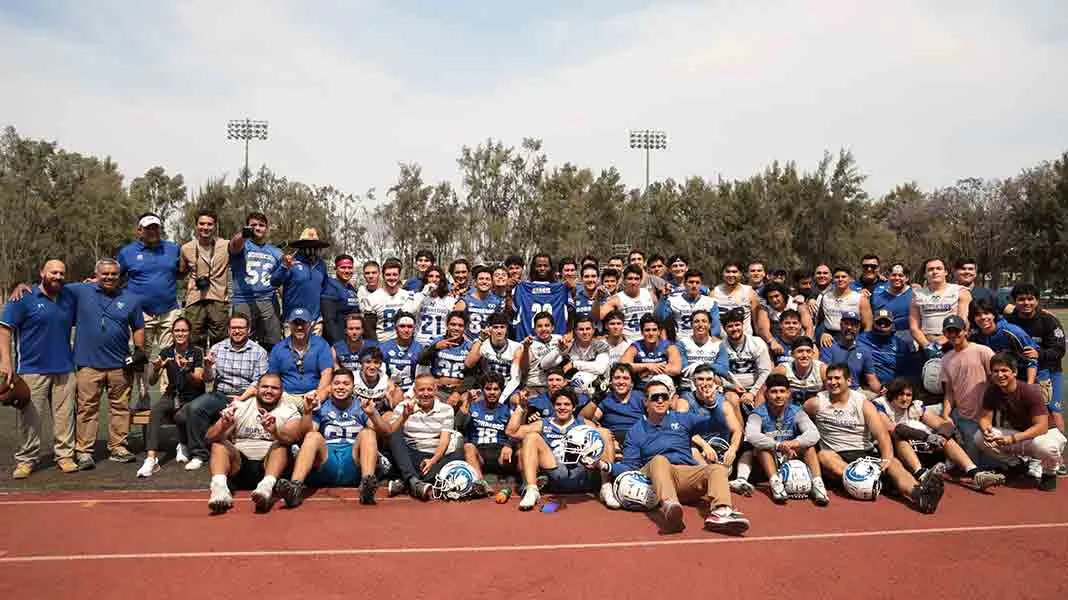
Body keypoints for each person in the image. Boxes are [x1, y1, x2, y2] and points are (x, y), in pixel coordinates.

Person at [589, 379, 751, 535]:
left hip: (686, 475)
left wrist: (712, 404)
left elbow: (717, 424)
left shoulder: (682, 419)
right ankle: (670, 506)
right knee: (660, 460)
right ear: (646, 402)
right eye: (655, 397)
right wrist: (605, 466)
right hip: (656, 477)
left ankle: (721, 512)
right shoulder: (636, 431)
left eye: (664, 397)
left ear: (669, 400)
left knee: (716, 468)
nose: (660, 401)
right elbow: (630, 466)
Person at [803, 364, 945, 514]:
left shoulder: (863, 403)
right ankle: (873, 483)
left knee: (894, 463)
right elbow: (799, 417)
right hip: (838, 455)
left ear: (849, 381)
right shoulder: (816, 403)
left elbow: (881, 434)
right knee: (824, 455)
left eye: (837, 378)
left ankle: (919, 494)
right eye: (829, 379)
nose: (833, 382)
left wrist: (886, 458)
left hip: (864, 452)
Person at [274, 368, 395, 508]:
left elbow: (387, 432)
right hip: (327, 461)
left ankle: (367, 484)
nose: (341, 387)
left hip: (353, 460)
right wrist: (307, 412)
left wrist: (372, 414)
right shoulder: (321, 407)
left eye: (346, 383)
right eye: (336, 383)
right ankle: (295, 488)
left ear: (353, 387)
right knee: (313, 436)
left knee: (368, 433)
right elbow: (306, 433)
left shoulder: (362, 406)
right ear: (330, 387)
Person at [0, 259, 78, 478]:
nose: (58, 276)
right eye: (53, 272)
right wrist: (5, 361)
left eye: (62, 273)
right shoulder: (23, 297)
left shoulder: (69, 296)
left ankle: (64, 456)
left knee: (65, 418)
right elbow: (4, 330)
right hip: (32, 368)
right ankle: (26, 460)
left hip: (65, 368)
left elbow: (93, 284)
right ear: (42, 272)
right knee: (30, 418)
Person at [68, 259, 146, 468]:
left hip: (119, 364)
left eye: (114, 274)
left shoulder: (131, 298)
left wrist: (139, 350)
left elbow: (138, 326)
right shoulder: (81, 290)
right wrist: (23, 288)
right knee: (86, 408)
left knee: (120, 407)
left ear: (120, 276)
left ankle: (118, 447)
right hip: (88, 364)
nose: (110, 277)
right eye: (105, 274)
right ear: (96, 274)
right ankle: (84, 451)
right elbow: (52, 287)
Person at [873, 377, 1004, 491]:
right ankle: (922, 474)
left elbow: (945, 425)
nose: (904, 399)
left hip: (918, 447)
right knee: (900, 438)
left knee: (946, 438)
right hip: (888, 450)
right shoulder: (881, 405)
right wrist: (928, 437)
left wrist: (941, 436)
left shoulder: (915, 407)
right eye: (900, 394)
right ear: (892, 394)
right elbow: (895, 429)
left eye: (908, 395)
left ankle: (975, 473)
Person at [507, 386, 619, 511]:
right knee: (531, 437)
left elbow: (606, 441)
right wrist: (521, 407)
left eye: (567, 404)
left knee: (603, 432)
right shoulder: (544, 423)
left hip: (582, 472)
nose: (562, 407)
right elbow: (512, 432)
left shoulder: (583, 422)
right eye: (558, 404)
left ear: (574, 407)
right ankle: (532, 490)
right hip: (554, 473)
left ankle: (606, 488)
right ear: (553, 406)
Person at [205, 373, 302, 514]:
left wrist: (275, 431)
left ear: (282, 391)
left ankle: (265, 489)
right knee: (218, 444)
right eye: (265, 387)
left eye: (274, 388)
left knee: (280, 445)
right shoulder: (240, 407)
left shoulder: (290, 411)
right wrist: (223, 426)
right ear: (256, 389)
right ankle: (219, 490)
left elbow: (292, 437)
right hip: (239, 465)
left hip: (270, 466)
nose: (269, 391)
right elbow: (209, 437)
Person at [184, 313, 269, 471]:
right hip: (221, 394)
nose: (237, 331)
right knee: (195, 408)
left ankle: (247, 453)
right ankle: (198, 454)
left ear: (249, 330)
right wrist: (208, 366)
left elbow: (259, 382)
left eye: (241, 328)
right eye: (234, 328)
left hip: (247, 396)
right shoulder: (217, 348)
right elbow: (208, 380)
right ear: (229, 330)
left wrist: (241, 398)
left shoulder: (259, 352)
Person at [976, 353, 1066, 491]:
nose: (1000, 375)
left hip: (1046, 434)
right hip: (1021, 435)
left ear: (1015, 372)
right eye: (996, 371)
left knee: (1044, 446)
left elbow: (1041, 427)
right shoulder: (992, 391)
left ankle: (1049, 473)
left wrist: (1011, 439)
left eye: (1004, 370)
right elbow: (984, 418)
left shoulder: (1030, 391)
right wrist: (987, 430)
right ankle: (1016, 465)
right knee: (979, 437)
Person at [117, 212, 182, 404]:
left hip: (169, 311)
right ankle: (144, 396)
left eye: (156, 227)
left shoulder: (173, 249)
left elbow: (182, 271)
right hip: (140, 314)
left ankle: (166, 398)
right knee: (140, 357)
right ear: (140, 231)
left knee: (169, 355)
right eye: (148, 228)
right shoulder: (127, 252)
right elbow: (113, 277)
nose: (153, 231)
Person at [745, 373, 828, 505]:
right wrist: (777, 445)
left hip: (790, 455)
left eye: (782, 391)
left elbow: (813, 433)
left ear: (788, 393)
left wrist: (794, 443)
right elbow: (751, 435)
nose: (778, 395)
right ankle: (775, 484)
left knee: (809, 447)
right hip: (768, 459)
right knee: (761, 448)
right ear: (766, 394)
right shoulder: (758, 413)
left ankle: (818, 484)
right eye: (774, 392)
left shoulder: (796, 412)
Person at [137, 318, 205, 478]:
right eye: (177, 331)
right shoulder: (166, 352)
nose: (180, 334)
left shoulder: (196, 352)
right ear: (172, 333)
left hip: (192, 396)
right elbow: (153, 381)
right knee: (156, 411)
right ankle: (150, 459)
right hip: (172, 393)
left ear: (189, 333)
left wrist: (186, 369)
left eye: (184, 330)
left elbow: (199, 379)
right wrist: (156, 368)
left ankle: (183, 443)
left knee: (181, 415)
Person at [386, 374, 465, 500]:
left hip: (433, 457)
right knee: (395, 436)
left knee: (459, 456)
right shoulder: (403, 406)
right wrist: (404, 416)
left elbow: (444, 441)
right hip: (410, 455)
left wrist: (433, 460)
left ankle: (407, 482)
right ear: (415, 391)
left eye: (429, 389)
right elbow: (390, 432)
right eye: (421, 390)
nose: (426, 393)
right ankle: (414, 481)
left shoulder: (446, 409)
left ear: (435, 390)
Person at [1005, 283, 1066, 434]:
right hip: (1020, 373)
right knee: (1022, 411)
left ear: (1037, 300)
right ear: (1014, 301)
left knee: (1052, 410)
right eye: (1021, 299)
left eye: (1030, 299)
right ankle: (1028, 450)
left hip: (1048, 371)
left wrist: (1039, 354)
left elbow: (1059, 350)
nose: (1026, 303)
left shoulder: (1049, 320)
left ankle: (1058, 450)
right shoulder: (1009, 321)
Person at [939, 315, 995, 463]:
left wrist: (989, 413)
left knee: (976, 462)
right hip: (961, 416)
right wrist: (945, 415)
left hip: (982, 416)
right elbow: (949, 393)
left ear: (966, 332)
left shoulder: (983, 351)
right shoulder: (945, 359)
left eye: (956, 331)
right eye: (948, 331)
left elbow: (995, 383)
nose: (953, 335)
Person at [229, 212, 283, 350]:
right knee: (241, 341)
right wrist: (243, 234)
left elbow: (279, 280)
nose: (257, 228)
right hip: (243, 300)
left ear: (266, 228)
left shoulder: (276, 252)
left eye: (261, 225)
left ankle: (269, 370)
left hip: (268, 300)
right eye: (253, 225)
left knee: (272, 341)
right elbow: (234, 245)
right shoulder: (242, 245)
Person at [456, 374, 516, 496]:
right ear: (482, 390)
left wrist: (509, 445)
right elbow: (458, 424)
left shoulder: (507, 410)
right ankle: (481, 484)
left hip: (500, 454)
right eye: (488, 389)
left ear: (501, 391)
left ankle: (528, 483)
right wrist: (467, 401)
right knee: (468, 446)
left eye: (496, 389)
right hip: (479, 454)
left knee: (520, 451)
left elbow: (516, 432)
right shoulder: (472, 407)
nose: (492, 392)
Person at [180, 209, 230, 349]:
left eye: (209, 224)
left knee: (220, 340)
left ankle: (217, 369)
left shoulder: (225, 245)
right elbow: (182, 272)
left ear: (215, 226)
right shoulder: (186, 248)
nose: (205, 227)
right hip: (195, 299)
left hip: (218, 298)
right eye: (202, 224)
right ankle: (197, 368)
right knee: (194, 339)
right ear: (196, 225)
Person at [268, 307, 333, 411]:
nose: (299, 327)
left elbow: (327, 373)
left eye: (303, 323)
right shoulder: (278, 348)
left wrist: (318, 396)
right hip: (287, 396)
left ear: (310, 324)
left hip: (314, 393)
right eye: (295, 323)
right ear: (289, 324)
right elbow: (273, 377)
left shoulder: (321, 344)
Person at [271, 228, 330, 334]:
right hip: (292, 320)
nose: (311, 248)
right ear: (300, 246)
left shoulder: (321, 265)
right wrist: (284, 267)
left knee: (315, 350)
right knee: (292, 351)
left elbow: (324, 290)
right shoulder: (290, 262)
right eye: (306, 245)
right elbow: (274, 282)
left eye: (314, 245)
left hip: (314, 321)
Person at [968, 300, 1038, 384]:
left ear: (994, 315)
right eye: (977, 315)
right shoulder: (974, 337)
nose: (983, 317)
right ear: (973, 318)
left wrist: (1029, 385)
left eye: (986, 313)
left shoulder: (1012, 332)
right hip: (996, 382)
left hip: (1022, 379)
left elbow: (1032, 359)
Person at [910, 257, 971, 351]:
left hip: (953, 344)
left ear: (945, 272)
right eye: (930, 269)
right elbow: (914, 327)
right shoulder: (917, 295)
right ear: (925, 274)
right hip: (926, 344)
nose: (935, 272)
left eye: (939, 268)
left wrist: (943, 341)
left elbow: (962, 321)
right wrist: (927, 346)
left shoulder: (960, 291)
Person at [538, 315, 610, 393]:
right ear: (575, 331)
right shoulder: (569, 345)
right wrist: (559, 350)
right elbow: (544, 365)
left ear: (593, 330)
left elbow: (600, 368)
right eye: (581, 329)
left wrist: (574, 364)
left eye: (588, 329)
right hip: (572, 392)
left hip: (598, 390)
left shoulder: (601, 346)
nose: (585, 332)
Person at [818, 311, 882, 396]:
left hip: (855, 391)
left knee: (880, 401)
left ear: (859, 328)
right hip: (833, 389)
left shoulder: (864, 350)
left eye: (853, 325)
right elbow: (824, 373)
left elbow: (872, 380)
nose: (849, 327)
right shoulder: (829, 345)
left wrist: (882, 391)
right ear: (840, 325)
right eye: (846, 324)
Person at [580, 363, 646, 444]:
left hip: (638, 439)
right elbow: (584, 418)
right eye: (617, 378)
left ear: (632, 383)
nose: (621, 382)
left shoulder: (640, 397)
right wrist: (596, 399)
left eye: (625, 378)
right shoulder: (605, 398)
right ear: (611, 381)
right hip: (612, 441)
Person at [722, 308, 772, 413]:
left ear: (743, 325)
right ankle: (740, 429)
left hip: (757, 387)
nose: (734, 329)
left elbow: (765, 371)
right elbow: (721, 374)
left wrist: (753, 393)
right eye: (730, 326)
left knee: (762, 399)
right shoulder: (720, 347)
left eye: (737, 325)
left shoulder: (756, 343)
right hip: (733, 388)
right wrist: (733, 387)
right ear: (724, 328)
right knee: (731, 398)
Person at [418, 311, 474, 403]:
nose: (456, 328)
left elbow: (472, 376)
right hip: (438, 389)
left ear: (465, 328)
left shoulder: (469, 346)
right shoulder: (437, 341)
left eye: (460, 326)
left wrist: (458, 392)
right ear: (447, 325)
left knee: (467, 401)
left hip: (459, 389)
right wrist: (435, 348)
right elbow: (420, 359)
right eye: (453, 324)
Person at [465, 312, 522, 399]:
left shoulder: (516, 347)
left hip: (508, 388)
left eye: (502, 327)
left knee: (516, 400)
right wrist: (480, 340)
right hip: (487, 388)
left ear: (507, 329)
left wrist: (502, 398)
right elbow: (469, 364)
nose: (499, 331)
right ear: (489, 328)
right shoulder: (482, 344)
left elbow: (515, 379)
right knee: (471, 398)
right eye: (495, 327)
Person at [677, 310, 731, 400]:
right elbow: (684, 369)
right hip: (687, 389)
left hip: (713, 388)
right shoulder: (682, 343)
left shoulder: (718, 344)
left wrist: (701, 364)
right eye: (696, 321)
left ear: (709, 325)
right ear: (691, 325)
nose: (700, 324)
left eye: (704, 321)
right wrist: (712, 369)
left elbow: (724, 370)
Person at [598, 264, 657, 343]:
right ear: (624, 280)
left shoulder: (649, 294)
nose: (633, 282)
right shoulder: (617, 299)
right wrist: (596, 298)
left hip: (648, 340)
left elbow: (658, 317)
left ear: (640, 280)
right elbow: (596, 317)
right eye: (630, 279)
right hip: (628, 342)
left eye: (636, 279)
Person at [361, 258, 416, 342]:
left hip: (404, 344)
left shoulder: (408, 295)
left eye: (395, 274)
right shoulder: (372, 298)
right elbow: (369, 329)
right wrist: (376, 348)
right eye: (388, 275)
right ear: (383, 276)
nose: (391, 277)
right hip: (383, 344)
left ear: (399, 275)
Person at [659, 269, 721, 344]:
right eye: (691, 282)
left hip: (704, 342)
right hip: (681, 342)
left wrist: (711, 342)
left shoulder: (710, 302)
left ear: (701, 285)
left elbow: (716, 327)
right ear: (684, 283)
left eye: (697, 283)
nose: (694, 285)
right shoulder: (672, 301)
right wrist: (663, 298)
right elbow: (661, 318)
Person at [409, 266, 466, 346]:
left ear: (441, 280)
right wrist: (424, 293)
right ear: (426, 279)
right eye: (431, 276)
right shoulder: (418, 297)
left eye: (437, 277)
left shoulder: (449, 300)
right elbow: (409, 311)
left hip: (439, 343)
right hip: (419, 342)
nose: (434, 279)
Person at [621, 315, 682, 388]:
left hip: (664, 387)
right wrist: (647, 366)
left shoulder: (669, 346)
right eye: (647, 330)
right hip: (641, 388)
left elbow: (675, 369)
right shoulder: (636, 346)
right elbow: (622, 366)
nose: (651, 333)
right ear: (642, 332)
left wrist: (648, 371)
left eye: (654, 330)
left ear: (659, 332)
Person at [816, 266, 872, 346]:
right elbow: (820, 320)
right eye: (837, 277)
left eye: (843, 277)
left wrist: (862, 342)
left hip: (852, 337)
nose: (840, 279)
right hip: (830, 338)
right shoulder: (825, 297)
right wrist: (823, 334)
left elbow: (868, 325)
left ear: (850, 279)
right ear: (832, 279)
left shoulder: (860, 299)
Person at [756, 282, 814, 356]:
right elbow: (762, 329)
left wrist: (805, 345)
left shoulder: (797, 304)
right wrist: (772, 342)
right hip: (776, 342)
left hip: (798, 340)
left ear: (783, 295)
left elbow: (809, 327)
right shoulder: (764, 308)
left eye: (777, 296)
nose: (774, 300)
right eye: (770, 297)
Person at [857, 309, 911, 389]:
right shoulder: (861, 339)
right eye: (879, 323)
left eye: (886, 323)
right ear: (873, 323)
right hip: (866, 387)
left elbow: (906, 372)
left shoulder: (901, 344)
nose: (882, 326)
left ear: (892, 325)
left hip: (893, 389)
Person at [771, 337, 827, 405]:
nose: (805, 355)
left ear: (813, 354)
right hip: (788, 409)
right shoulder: (783, 369)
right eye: (800, 351)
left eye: (808, 351)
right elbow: (764, 392)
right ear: (792, 354)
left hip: (815, 409)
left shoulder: (822, 369)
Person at [320, 254, 362, 344]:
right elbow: (329, 321)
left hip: (352, 339)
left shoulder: (351, 288)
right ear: (336, 269)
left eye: (350, 267)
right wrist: (338, 344)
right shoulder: (330, 288)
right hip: (338, 340)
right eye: (343, 267)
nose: (347, 271)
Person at [518, 312, 564, 393]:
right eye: (539, 326)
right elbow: (524, 369)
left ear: (552, 327)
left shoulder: (559, 339)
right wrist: (526, 348)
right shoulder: (527, 343)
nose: (543, 329)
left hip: (556, 386)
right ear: (534, 329)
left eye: (547, 325)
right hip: (534, 386)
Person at [711, 261, 760, 337]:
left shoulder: (749, 292)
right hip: (722, 342)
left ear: (740, 274)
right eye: (728, 272)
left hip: (745, 339)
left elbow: (757, 322)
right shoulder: (714, 293)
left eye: (734, 272)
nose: (731, 275)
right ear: (722, 274)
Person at [379, 312, 423, 395]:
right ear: (396, 328)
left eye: (410, 327)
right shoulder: (384, 348)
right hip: (388, 390)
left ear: (414, 329)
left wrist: (409, 396)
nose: (406, 330)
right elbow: (380, 375)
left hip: (412, 392)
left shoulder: (420, 349)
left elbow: (420, 379)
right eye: (402, 326)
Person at [463, 265, 504, 340]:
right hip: (469, 344)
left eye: (487, 279)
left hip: (488, 344)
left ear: (492, 283)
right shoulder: (465, 300)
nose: (484, 282)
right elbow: (456, 323)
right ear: (475, 282)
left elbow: (500, 326)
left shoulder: (497, 302)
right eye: (481, 279)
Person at [870, 263, 914, 334]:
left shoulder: (915, 295)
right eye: (893, 275)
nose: (897, 278)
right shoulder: (877, 297)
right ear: (888, 277)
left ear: (907, 278)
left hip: (909, 337)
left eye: (900, 275)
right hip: (884, 337)